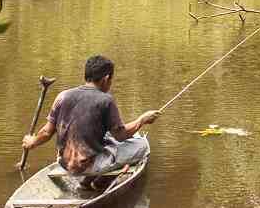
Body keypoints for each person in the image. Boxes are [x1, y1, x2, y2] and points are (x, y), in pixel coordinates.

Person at [21, 55, 160, 189]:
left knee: (107, 137)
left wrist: (32, 142)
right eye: (111, 80)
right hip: (90, 165)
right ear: (106, 79)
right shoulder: (106, 100)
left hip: (64, 163)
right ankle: (98, 181)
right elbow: (121, 135)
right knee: (141, 146)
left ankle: (87, 182)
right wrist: (142, 120)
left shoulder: (62, 96)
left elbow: (46, 132)